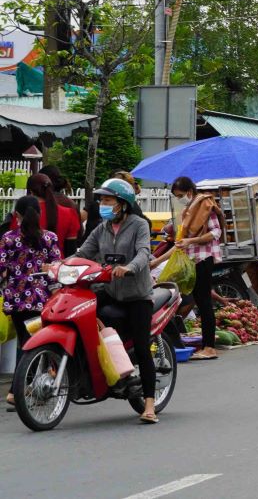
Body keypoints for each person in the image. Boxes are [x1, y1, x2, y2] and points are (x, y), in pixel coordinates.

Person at [74, 179, 158, 423]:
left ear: (122, 204)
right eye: (101, 200)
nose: (103, 204)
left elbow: (144, 252)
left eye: (108, 200)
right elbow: (83, 253)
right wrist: (59, 266)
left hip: (137, 296)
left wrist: (130, 267)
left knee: (143, 348)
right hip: (110, 291)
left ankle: (149, 405)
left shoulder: (139, 225)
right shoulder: (102, 227)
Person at [151, 176, 223, 361]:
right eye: (176, 196)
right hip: (191, 260)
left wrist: (192, 240)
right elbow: (179, 244)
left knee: (204, 302)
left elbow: (216, 233)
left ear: (190, 192)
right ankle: (207, 345)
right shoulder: (188, 210)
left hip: (203, 259)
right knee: (200, 301)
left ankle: (209, 347)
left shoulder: (205, 206)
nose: (179, 198)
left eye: (181, 195)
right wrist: (156, 262)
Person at [2, 196, 62, 408]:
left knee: (25, 342)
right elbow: (57, 269)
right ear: (39, 214)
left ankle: (21, 388)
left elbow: (1, 270)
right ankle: (19, 389)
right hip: (42, 299)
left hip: (16, 301)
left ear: (16, 215)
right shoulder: (49, 238)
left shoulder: (8, 239)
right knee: (36, 342)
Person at [27, 173, 80, 257]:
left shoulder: (23, 213)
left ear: (30, 191)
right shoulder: (69, 213)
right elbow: (71, 250)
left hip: (29, 266)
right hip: (59, 266)